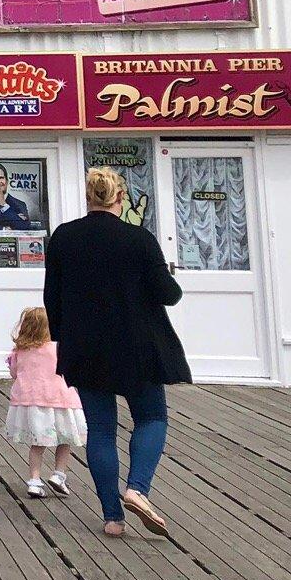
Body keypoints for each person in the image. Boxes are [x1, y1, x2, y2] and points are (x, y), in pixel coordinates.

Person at [45, 166, 189, 538]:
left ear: (88, 198)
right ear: (120, 200)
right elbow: (168, 295)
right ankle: (137, 489)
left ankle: (112, 517)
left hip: (86, 349)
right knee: (152, 418)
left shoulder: (63, 238)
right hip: (138, 347)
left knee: (101, 430)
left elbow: (52, 298)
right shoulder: (138, 239)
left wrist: (65, 340)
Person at [5, 305, 85, 499]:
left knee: (37, 443)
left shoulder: (20, 351)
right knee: (65, 439)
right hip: (61, 399)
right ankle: (59, 475)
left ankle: (34, 480)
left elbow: (14, 373)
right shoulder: (58, 347)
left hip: (32, 402)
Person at [0, 163, 34, 229]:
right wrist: (3, 229)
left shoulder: (20, 204)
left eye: (1, 177)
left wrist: (3, 204)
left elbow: (25, 228)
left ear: (7, 182)